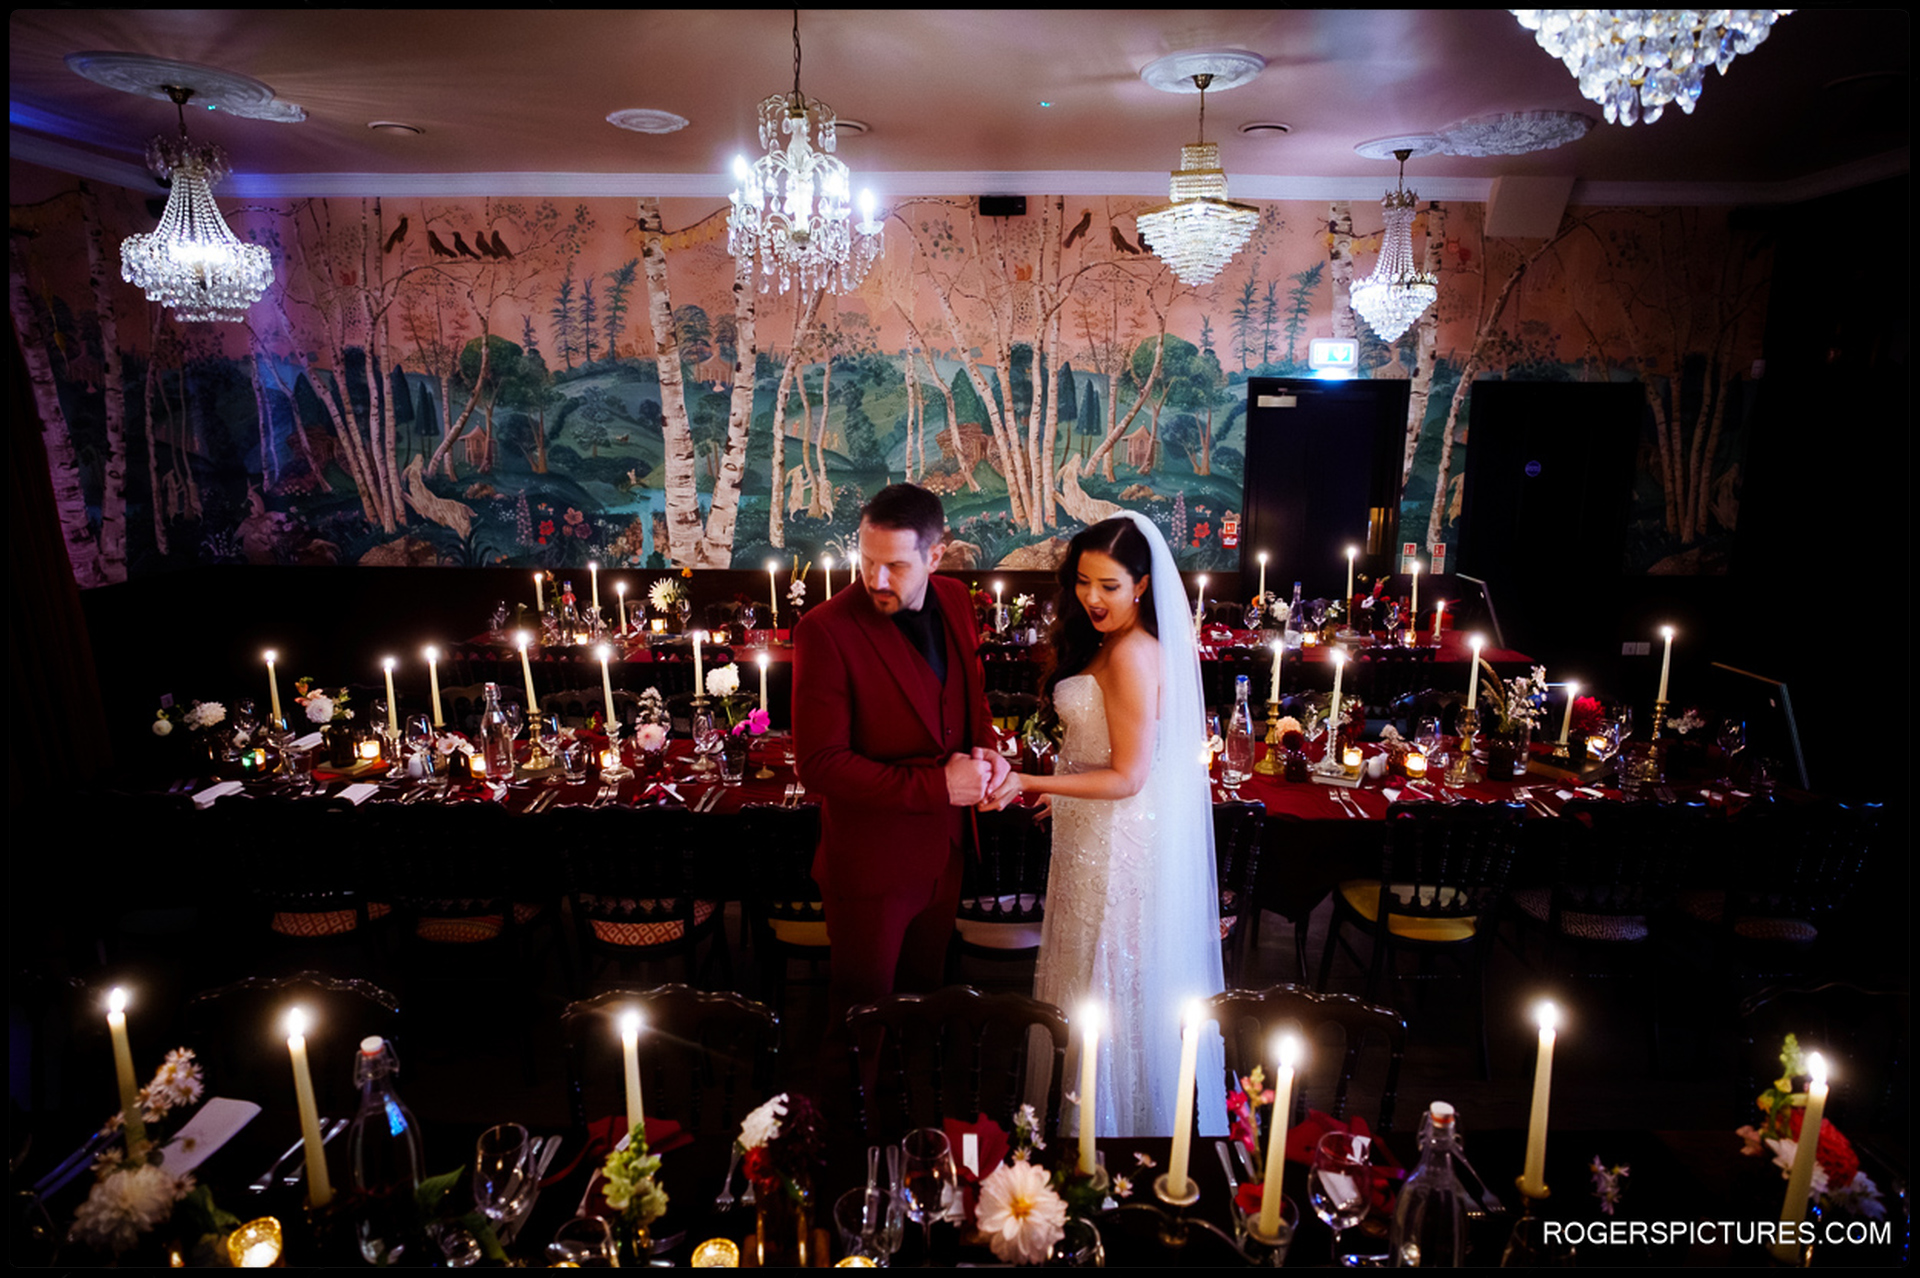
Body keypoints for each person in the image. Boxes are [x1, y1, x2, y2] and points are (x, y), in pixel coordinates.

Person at [983, 512, 1228, 1138]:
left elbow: (1128, 777)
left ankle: (1114, 1134)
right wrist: (1065, 796)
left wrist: (1033, 780)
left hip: (1120, 847)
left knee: (1108, 976)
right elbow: (1100, 760)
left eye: (1110, 585)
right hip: (1092, 837)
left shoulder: (1133, 655)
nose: (1091, 597)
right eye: (1084, 582)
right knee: (1082, 968)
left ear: (1142, 585)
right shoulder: (1111, 644)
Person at [793, 483, 1008, 1021]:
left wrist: (990, 750)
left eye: (895, 566)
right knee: (860, 1018)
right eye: (866, 561)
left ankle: (911, 1101)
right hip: (871, 867)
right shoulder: (823, 630)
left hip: (947, 855)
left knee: (921, 1005)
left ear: (935, 555)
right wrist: (939, 786)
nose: (876, 580)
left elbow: (970, 701)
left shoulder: (957, 600)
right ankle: (847, 1109)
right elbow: (818, 765)